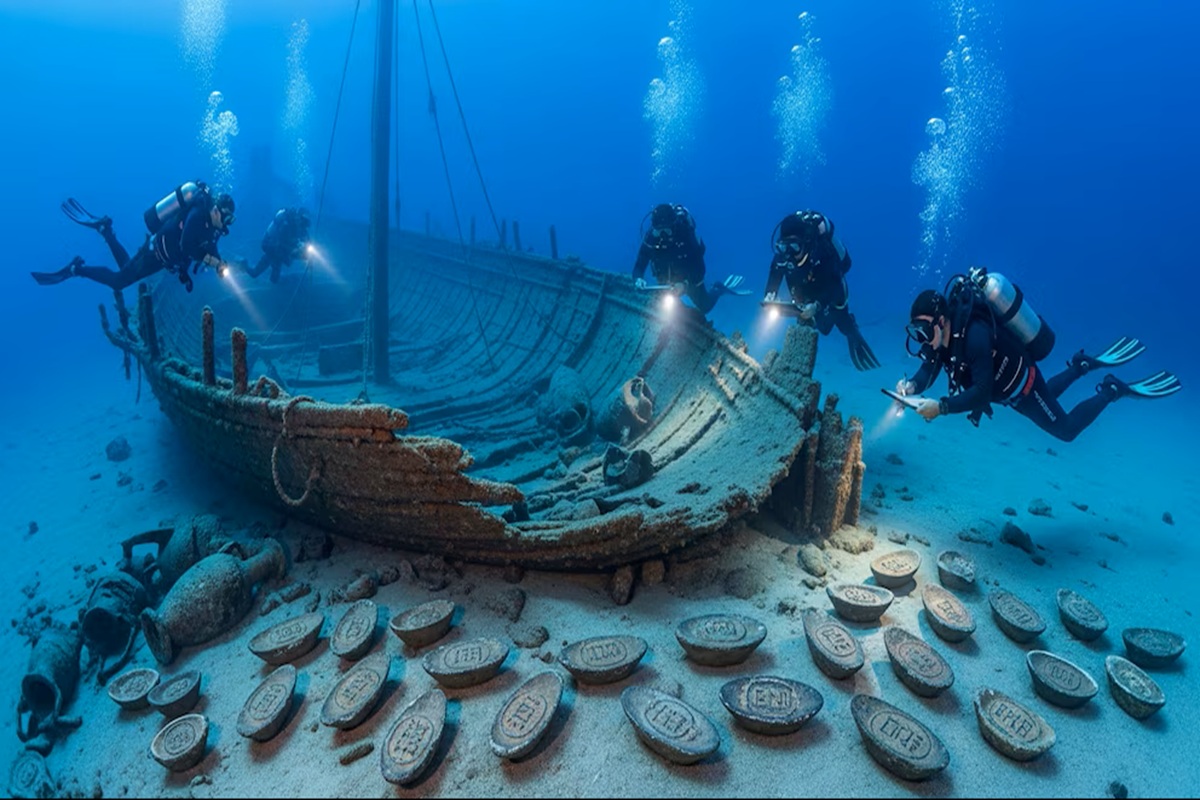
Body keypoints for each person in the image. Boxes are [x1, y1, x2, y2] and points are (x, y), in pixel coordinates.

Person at [896, 278, 1182, 441]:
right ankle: (1080, 366)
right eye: (915, 332)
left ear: (941, 321)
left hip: (1023, 383)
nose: (922, 340)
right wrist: (910, 388)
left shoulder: (974, 337)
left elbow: (981, 391)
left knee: (1066, 429)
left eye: (922, 331)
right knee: (1044, 398)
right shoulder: (942, 339)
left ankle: (1111, 390)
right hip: (1014, 393)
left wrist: (942, 407)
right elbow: (928, 370)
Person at [32, 183, 235, 293]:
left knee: (125, 268)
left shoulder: (212, 228)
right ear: (217, 211)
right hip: (155, 253)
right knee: (119, 282)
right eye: (226, 217)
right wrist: (211, 261)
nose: (227, 224)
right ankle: (76, 269)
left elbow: (207, 246)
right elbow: (187, 244)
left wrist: (218, 262)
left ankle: (105, 230)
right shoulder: (199, 213)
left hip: (161, 256)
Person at [761, 209, 880, 370]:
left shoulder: (823, 254)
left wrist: (817, 305)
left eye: (794, 247)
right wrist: (770, 294)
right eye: (784, 247)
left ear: (806, 242)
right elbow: (775, 273)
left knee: (838, 320)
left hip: (831, 293)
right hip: (805, 295)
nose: (788, 253)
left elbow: (835, 286)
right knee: (810, 324)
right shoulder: (783, 257)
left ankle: (852, 331)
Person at [631, 203, 748, 314]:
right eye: (658, 232)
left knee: (705, 307)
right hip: (665, 280)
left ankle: (718, 289)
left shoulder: (686, 236)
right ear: (653, 229)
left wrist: (685, 284)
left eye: (666, 231)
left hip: (688, 279)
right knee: (665, 308)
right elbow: (639, 265)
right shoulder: (651, 239)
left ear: (673, 226)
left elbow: (700, 269)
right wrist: (638, 278)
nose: (663, 236)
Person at [243, 207, 311, 283]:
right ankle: (242, 264)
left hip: (280, 253)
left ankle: (271, 269)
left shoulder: (300, 228)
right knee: (254, 273)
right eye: (299, 220)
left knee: (274, 279)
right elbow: (280, 242)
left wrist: (306, 250)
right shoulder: (286, 225)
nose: (300, 222)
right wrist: (293, 250)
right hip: (272, 250)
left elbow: (306, 238)